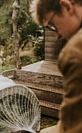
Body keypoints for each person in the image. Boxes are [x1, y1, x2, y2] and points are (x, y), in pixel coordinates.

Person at [30, 0, 82, 133]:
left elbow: (73, 128)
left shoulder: (76, 51)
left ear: (66, 6)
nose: (57, 35)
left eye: (53, 25)